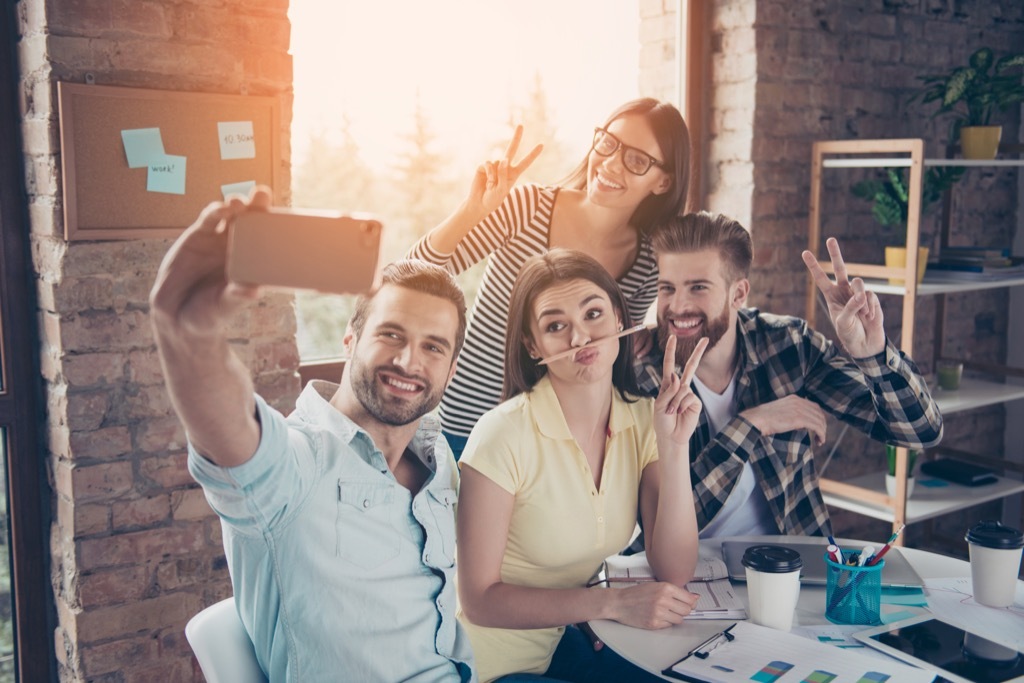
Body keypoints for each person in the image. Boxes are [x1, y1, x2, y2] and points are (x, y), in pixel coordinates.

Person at [149, 188, 475, 682]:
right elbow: (232, 433)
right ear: (350, 339)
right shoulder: (294, 464)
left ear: (450, 368)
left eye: (433, 347)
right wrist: (189, 331)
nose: (409, 361)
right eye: (391, 335)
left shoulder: (437, 458)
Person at [456, 249, 706, 683]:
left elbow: (675, 569)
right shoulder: (503, 433)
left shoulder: (647, 419)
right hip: (488, 666)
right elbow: (479, 600)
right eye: (556, 326)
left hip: (559, 645)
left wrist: (674, 446)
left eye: (593, 314)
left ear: (618, 320)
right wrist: (606, 605)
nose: (580, 338)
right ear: (533, 346)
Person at [408, 98, 691, 458]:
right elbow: (411, 277)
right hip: (466, 425)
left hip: (549, 440)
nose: (610, 163)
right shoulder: (530, 208)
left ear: (663, 182)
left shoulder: (647, 261)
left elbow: (609, 355)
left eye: (636, 160)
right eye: (608, 143)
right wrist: (471, 211)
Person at [633, 211, 943, 539]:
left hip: (794, 565)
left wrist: (873, 353)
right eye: (667, 288)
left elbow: (920, 432)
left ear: (738, 294)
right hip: (685, 577)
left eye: (698, 287)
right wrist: (753, 424)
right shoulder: (643, 375)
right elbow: (671, 524)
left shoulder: (786, 345)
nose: (677, 305)